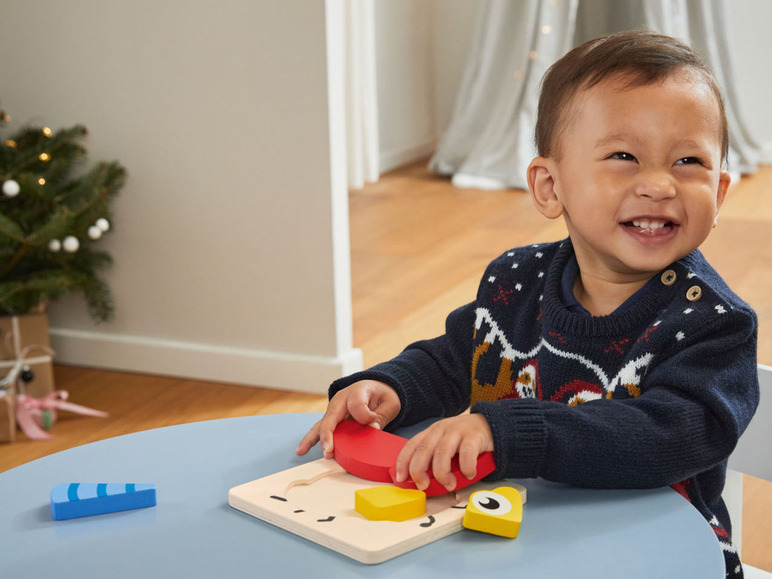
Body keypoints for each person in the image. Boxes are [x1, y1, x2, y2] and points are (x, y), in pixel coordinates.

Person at [297, 30, 758, 577]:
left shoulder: (713, 324)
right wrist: (390, 385)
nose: (659, 184)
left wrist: (510, 430)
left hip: (655, 556)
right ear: (549, 187)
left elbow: (671, 435)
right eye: (623, 156)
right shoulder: (517, 280)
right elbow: (456, 357)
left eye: (688, 161)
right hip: (522, 539)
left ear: (721, 191)